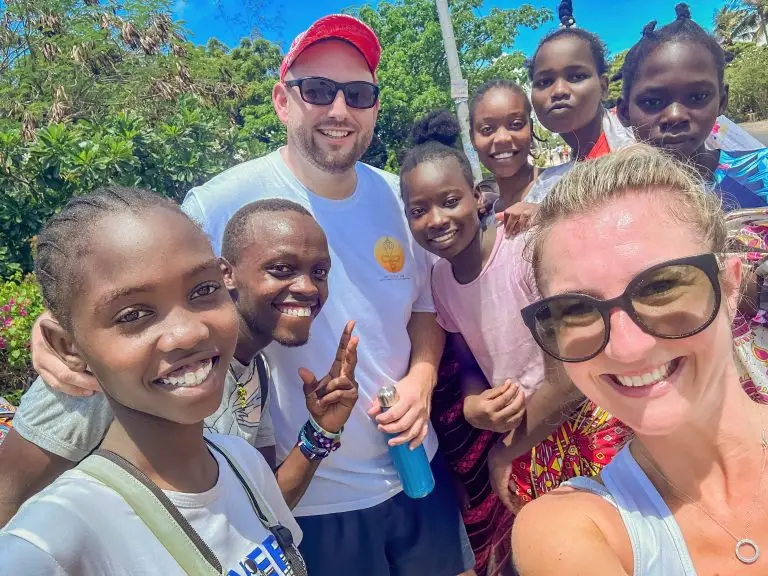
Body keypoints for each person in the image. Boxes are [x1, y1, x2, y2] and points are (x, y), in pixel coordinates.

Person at [27, 15, 474, 576]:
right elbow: (121, 272)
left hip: (416, 470)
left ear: (375, 108)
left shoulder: (399, 197)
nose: (340, 110)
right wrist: (54, 325)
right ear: (283, 101)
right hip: (307, 497)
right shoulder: (221, 201)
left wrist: (421, 378)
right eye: (318, 90)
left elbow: (425, 306)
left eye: (358, 94)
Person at [0, 187, 324, 574]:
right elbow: (9, 492)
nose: (187, 333)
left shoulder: (242, 453)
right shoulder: (50, 541)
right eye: (134, 314)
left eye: (203, 291)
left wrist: (323, 431)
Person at [512, 145, 768, 575]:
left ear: (730, 286)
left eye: (662, 287)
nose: (627, 348)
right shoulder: (570, 528)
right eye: (576, 309)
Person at [402, 110, 627, 575]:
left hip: (584, 422)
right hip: (527, 436)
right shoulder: (440, 280)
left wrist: (503, 452)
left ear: (479, 199)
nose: (437, 219)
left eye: (450, 201)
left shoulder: (523, 252)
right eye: (418, 210)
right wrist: (470, 404)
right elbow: (463, 356)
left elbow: (569, 376)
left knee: (608, 545)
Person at [617, 3, 768, 209]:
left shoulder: (760, 172)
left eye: (698, 96)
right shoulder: (616, 201)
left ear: (721, 102)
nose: (675, 116)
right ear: (624, 112)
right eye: (652, 101)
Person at [525, 2, 633, 202]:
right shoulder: (546, 186)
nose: (558, 91)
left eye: (576, 77)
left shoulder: (642, 153)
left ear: (603, 86)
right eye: (544, 81)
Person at [468, 79, 540, 238]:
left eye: (515, 124)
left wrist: (549, 215)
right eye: (487, 129)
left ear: (531, 128)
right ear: (472, 138)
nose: (502, 138)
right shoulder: (485, 222)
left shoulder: (565, 184)